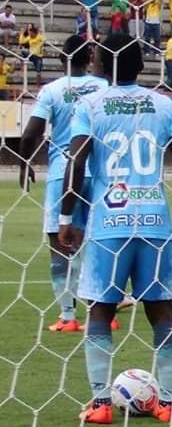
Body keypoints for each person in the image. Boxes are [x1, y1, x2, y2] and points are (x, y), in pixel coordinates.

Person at [59, 32, 172, 425]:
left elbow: (78, 161)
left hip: (108, 222)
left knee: (100, 309)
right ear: (142, 66)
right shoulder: (163, 104)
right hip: (154, 220)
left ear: (102, 65)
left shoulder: (91, 104)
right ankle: (167, 403)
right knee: (161, 312)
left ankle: (101, 403)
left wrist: (68, 218)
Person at [17, 36, 109, 333]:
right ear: (91, 58)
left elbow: (32, 132)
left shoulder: (53, 90)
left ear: (62, 59)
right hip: (98, 173)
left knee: (59, 244)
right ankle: (104, 308)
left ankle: (68, 316)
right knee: (93, 241)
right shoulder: (104, 87)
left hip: (63, 172)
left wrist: (25, 162)